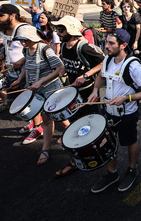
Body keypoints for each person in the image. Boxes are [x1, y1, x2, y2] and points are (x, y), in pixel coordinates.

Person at [87, 29, 141, 193]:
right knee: (108, 143)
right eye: (106, 42)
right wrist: (95, 90)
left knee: (130, 142)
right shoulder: (108, 59)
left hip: (127, 114)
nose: (106, 46)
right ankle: (112, 173)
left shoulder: (133, 65)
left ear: (123, 45)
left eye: (111, 43)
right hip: (109, 111)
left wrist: (127, 98)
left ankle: (132, 170)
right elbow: (101, 76)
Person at [52, 16, 106, 178]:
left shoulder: (84, 48)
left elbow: (105, 62)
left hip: (89, 92)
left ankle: (101, 151)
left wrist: (86, 74)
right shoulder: (63, 46)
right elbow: (68, 62)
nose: (58, 33)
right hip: (74, 94)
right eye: (57, 29)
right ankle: (80, 156)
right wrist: (63, 69)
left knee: (94, 123)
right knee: (77, 124)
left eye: (61, 30)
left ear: (71, 31)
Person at [10, 25, 64, 164]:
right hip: (36, 88)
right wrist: (19, 79)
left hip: (50, 88)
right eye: (21, 40)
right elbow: (28, 66)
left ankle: (73, 135)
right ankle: (45, 148)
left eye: (25, 39)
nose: (23, 42)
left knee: (59, 117)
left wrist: (41, 81)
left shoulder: (45, 49)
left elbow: (59, 68)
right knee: (47, 119)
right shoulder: (26, 50)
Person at [0, 4, 29, 119]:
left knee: (27, 103)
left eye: (1, 15)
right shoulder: (6, 30)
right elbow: (10, 47)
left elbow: (39, 49)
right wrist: (3, 56)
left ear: (12, 16)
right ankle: (32, 123)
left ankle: (36, 125)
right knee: (15, 104)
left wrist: (22, 60)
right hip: (12, 72)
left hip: (26, 73)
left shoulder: (24, 29)